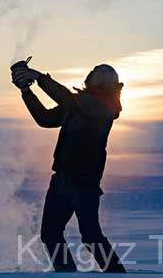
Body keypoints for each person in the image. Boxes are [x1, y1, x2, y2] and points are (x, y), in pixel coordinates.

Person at [12, 62, 126, 273]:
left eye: (94, 75)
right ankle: (66, 274)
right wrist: (26, 91)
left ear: (102, 81)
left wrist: (38, 77)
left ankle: (116, 274)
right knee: (50, 233)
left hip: (84, 184)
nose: (89, 77)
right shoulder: (78, 104)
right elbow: (45, 118)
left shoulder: (103, 107)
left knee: (91, 236)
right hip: (62, 180)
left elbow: (67, 98)